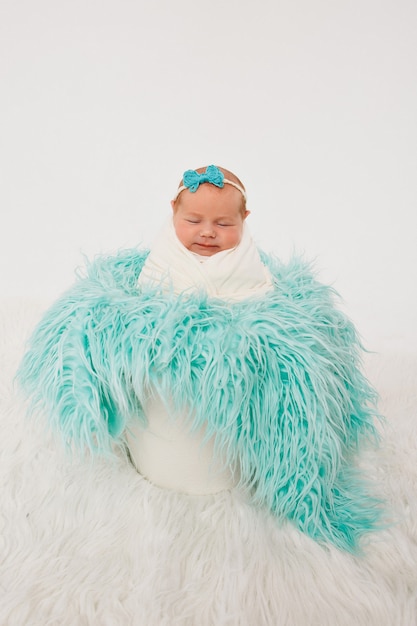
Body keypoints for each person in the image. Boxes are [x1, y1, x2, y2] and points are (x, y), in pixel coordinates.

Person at [18, 164, 383, 553]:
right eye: (193, 220)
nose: (207, 232)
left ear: (245, 220)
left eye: (224, 223)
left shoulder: (246, 261)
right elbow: (151, 296)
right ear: (173, 212)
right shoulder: (164, 256)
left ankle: (250, 442)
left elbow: (256, 296)